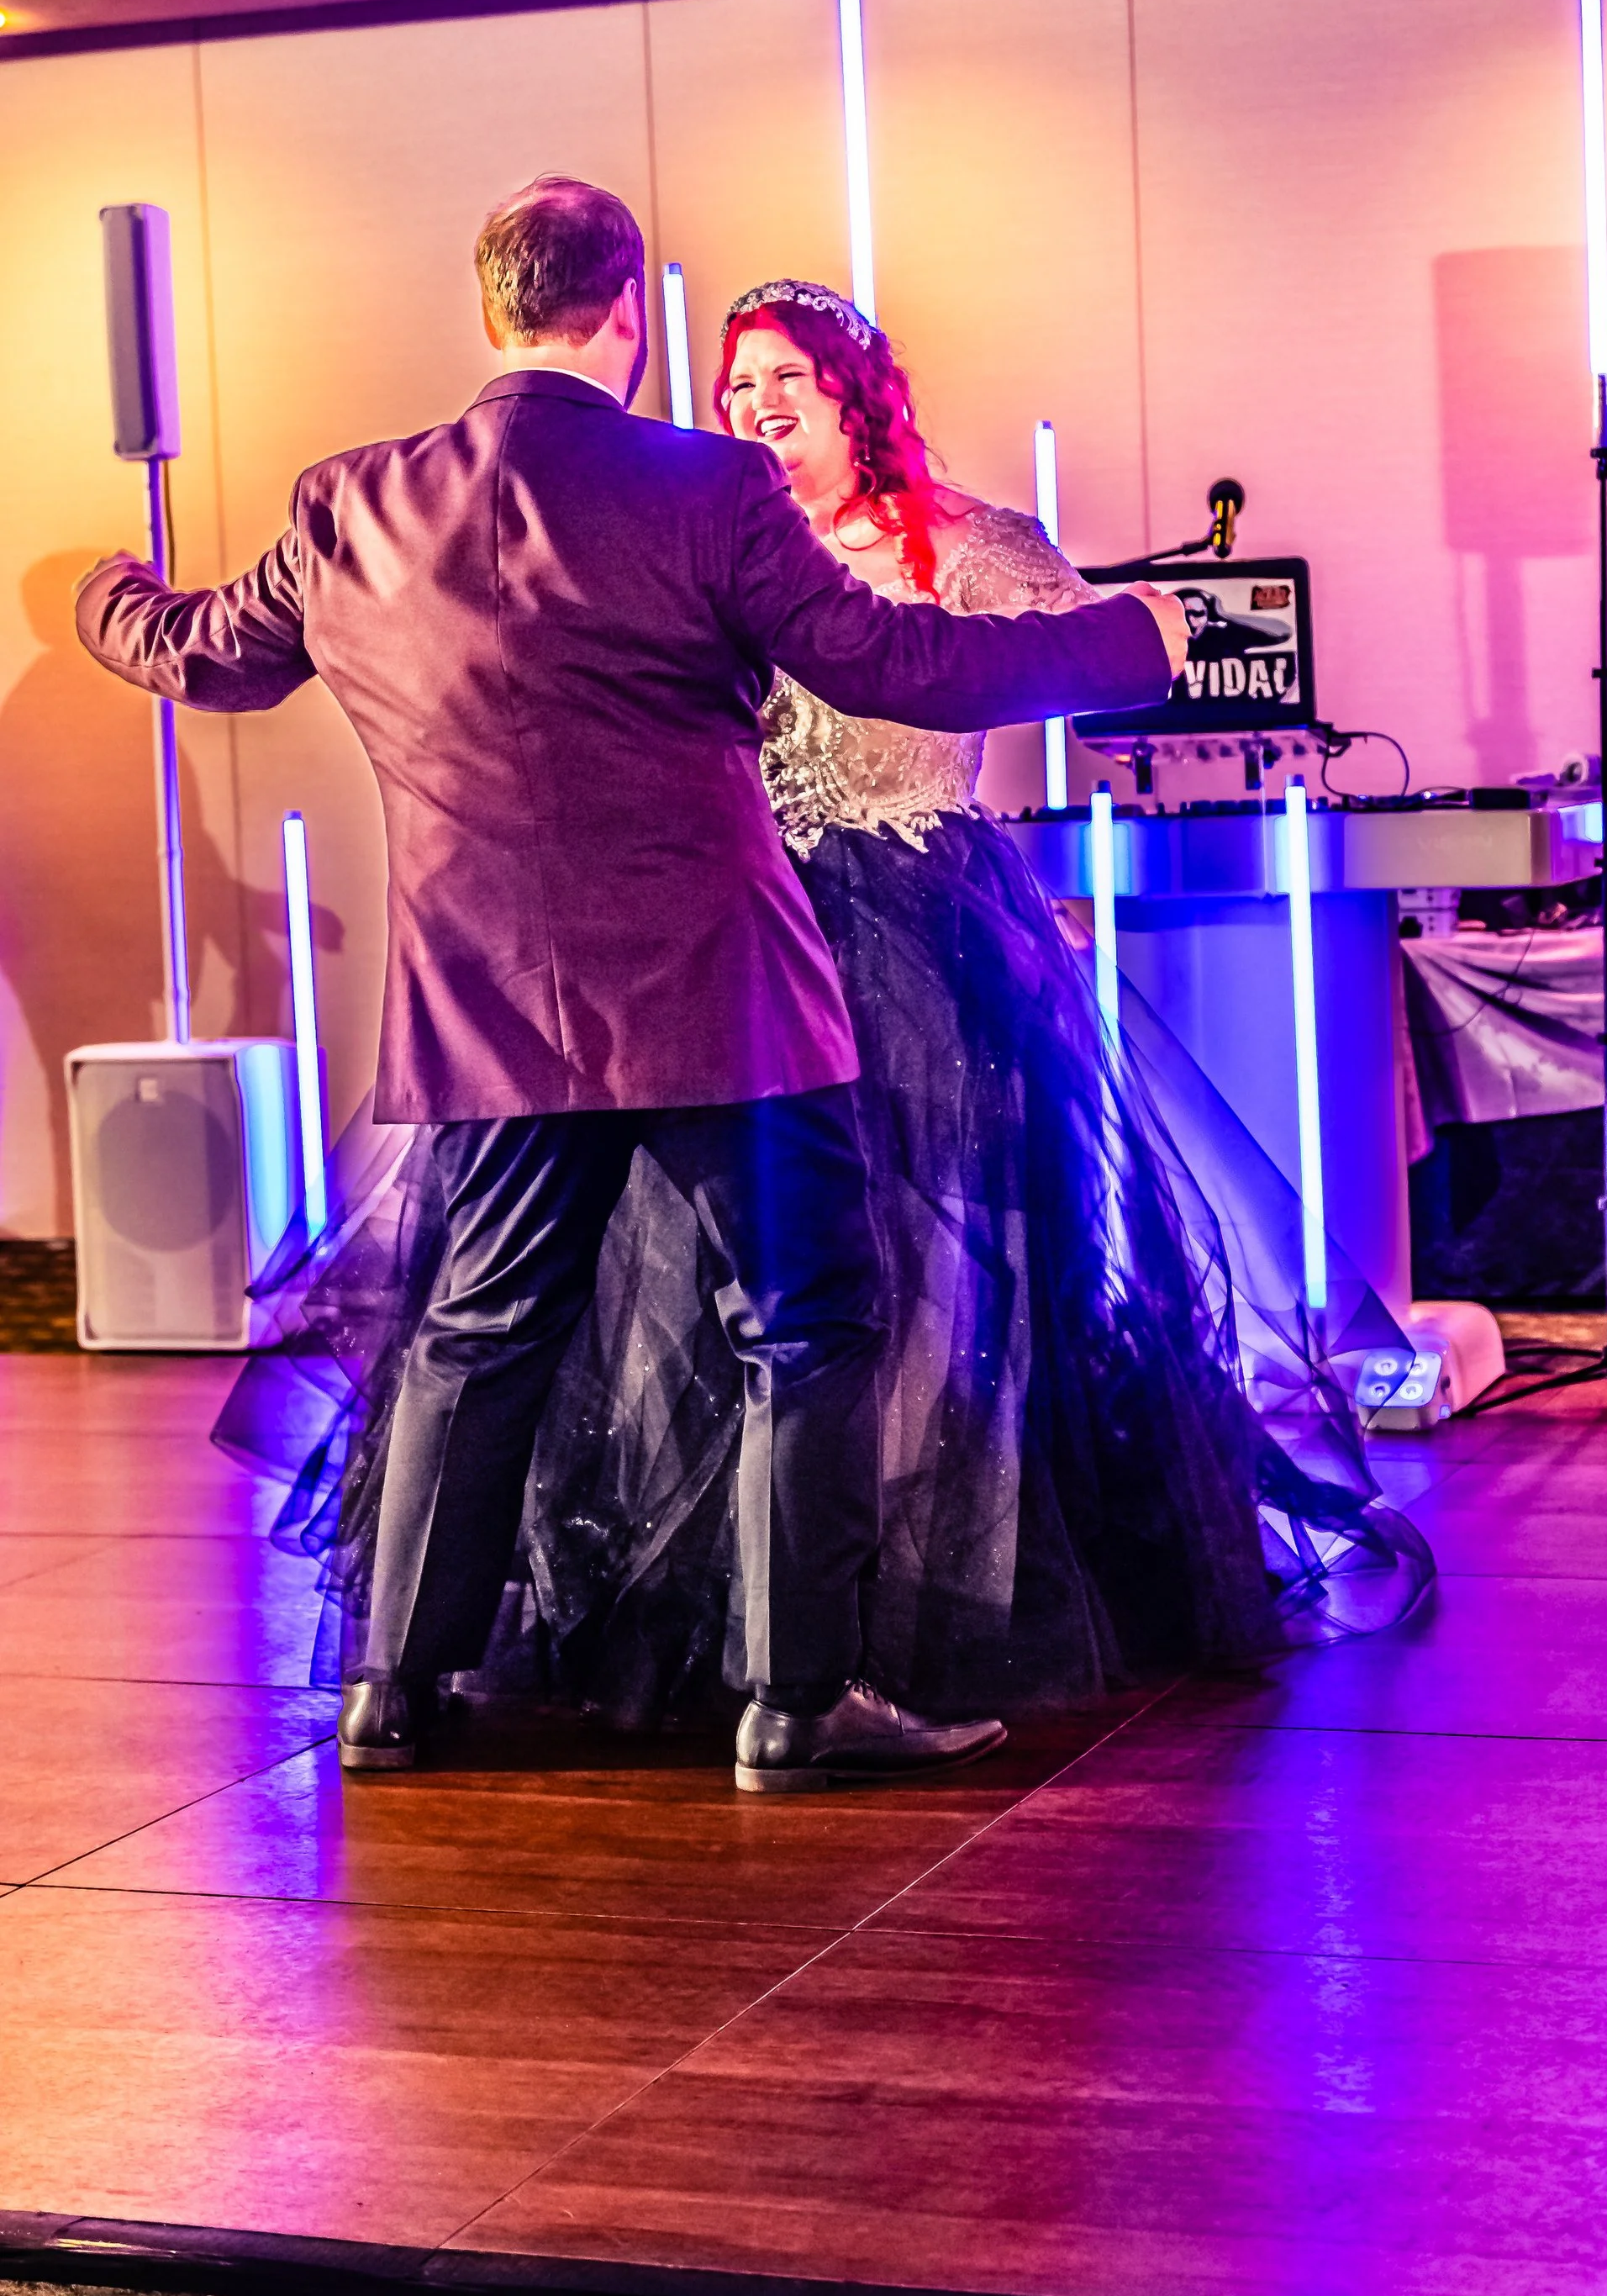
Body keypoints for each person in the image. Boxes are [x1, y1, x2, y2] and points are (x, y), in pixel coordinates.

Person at [74, 177, 1188, 1792]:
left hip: (488, 1005)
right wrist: (1122, 638)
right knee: (806, 1326)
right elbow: (896, 664)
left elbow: (201, 653)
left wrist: (99, 586)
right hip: (718, 995)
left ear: (489, 311)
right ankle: (793, 1706)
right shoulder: (708, 487)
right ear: (628, 315)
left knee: (476, 1329)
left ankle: (394, 1690)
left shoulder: (354, 503)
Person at [221, 279, 1430, 1741]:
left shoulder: (935, 538)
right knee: (746, 1317)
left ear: (858, 394)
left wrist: (1133, 636)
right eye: (737, 384)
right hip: (723, 956)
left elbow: (983, 670)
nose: (753, 405)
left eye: (784, 377)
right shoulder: (706, 522)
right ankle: (773, 1674)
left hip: (920, 946)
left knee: (919, 1296)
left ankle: (837, 1622)